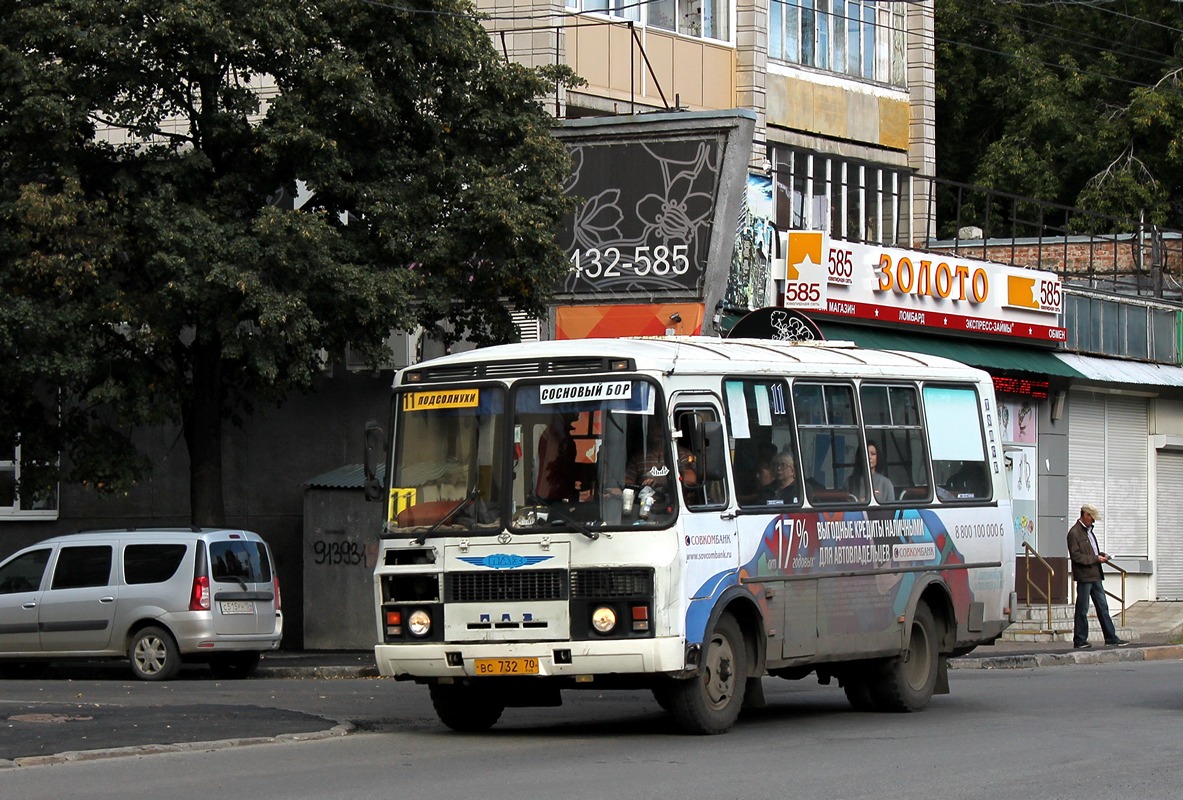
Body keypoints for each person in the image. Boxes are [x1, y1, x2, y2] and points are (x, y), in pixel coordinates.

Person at [1067, 503, 1129, 649]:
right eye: (1091, 518)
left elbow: (1090, 551)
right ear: (1085, 515)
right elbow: (1076, 556)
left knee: (1103, 606)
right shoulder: (1074, 533)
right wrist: (1095, 559)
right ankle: (1080, 639)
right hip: (1084, 576)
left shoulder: (1089, 531)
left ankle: (1110, 637)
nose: (1093, 521)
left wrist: (1100, 555)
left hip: (1095, 574)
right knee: (1082, 608)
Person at [624, 425, 697, 494]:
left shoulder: (682, 454)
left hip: (677, 504)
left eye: (660, 428)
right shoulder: (638, 458)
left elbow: (691, 480)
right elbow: (627, 485)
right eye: (653, 428)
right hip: (645, 504)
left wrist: (659, 481)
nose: (656, 431)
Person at [535, 412, 578, 501]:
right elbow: (554, 463)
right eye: (575, 414)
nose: (577, 417)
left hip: (556, 491)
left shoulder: (559, 436)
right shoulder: (555, 437)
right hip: (552, 493)